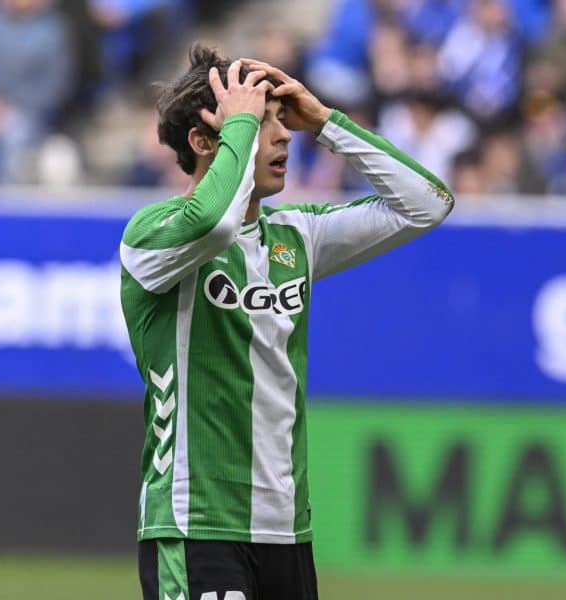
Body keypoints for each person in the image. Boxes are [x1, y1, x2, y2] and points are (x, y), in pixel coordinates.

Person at [120, 45, 454, 600]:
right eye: (260, 124)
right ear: (205, 142)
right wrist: (241, 126)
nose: (282, 137)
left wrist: (325, 121)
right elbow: (213, 223)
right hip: (195, 527)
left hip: (287, 532)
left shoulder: (296, 236)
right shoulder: (152, 236)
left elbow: (427, 204)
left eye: (280, 120)